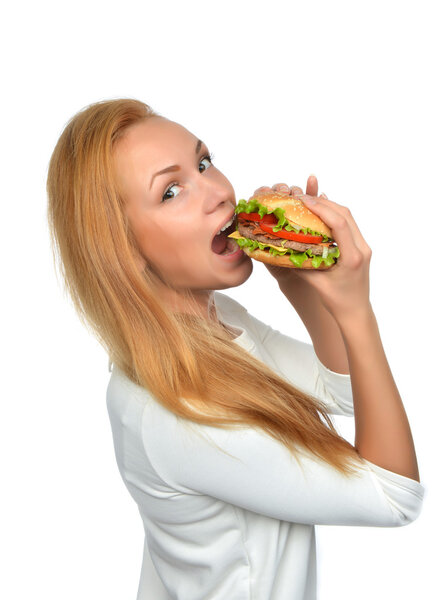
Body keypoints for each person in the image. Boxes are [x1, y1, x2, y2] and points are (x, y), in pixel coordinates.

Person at [46, 98, 425, 600]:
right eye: (172, 191)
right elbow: (394, 496)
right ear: (124, 252)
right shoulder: (179, 414)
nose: (219, 193)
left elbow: (348, 393)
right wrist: (357, 313)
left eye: (203, 162)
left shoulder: (209, 321)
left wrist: (299, 282)